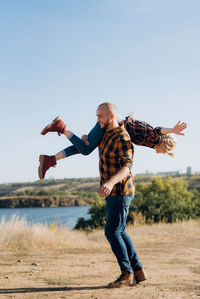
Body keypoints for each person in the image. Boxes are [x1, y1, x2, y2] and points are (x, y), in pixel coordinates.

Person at [38, 114, 187, 180]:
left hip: (113, 125)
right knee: (85, 149)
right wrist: (172, 130)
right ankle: (62, 127)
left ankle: (51, 159)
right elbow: (157, 131)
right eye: (166, 151)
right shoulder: (153, 138)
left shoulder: (150, 140)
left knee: (85, 146)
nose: (161, 154)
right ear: (163, 143)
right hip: (112, 123)